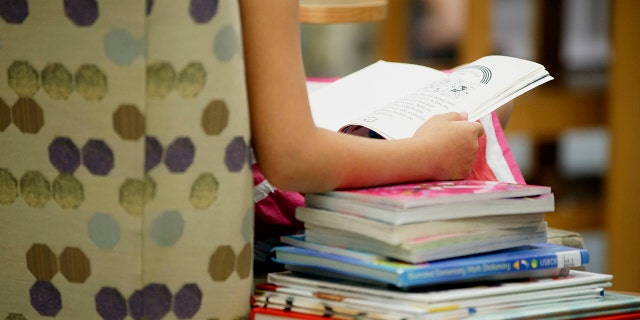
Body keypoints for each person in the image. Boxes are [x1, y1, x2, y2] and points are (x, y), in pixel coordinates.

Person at [238, 0, 513, 274]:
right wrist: (429, 154)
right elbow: (294, 158)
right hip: (257, 170)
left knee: (476, 91)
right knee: (480, 108)